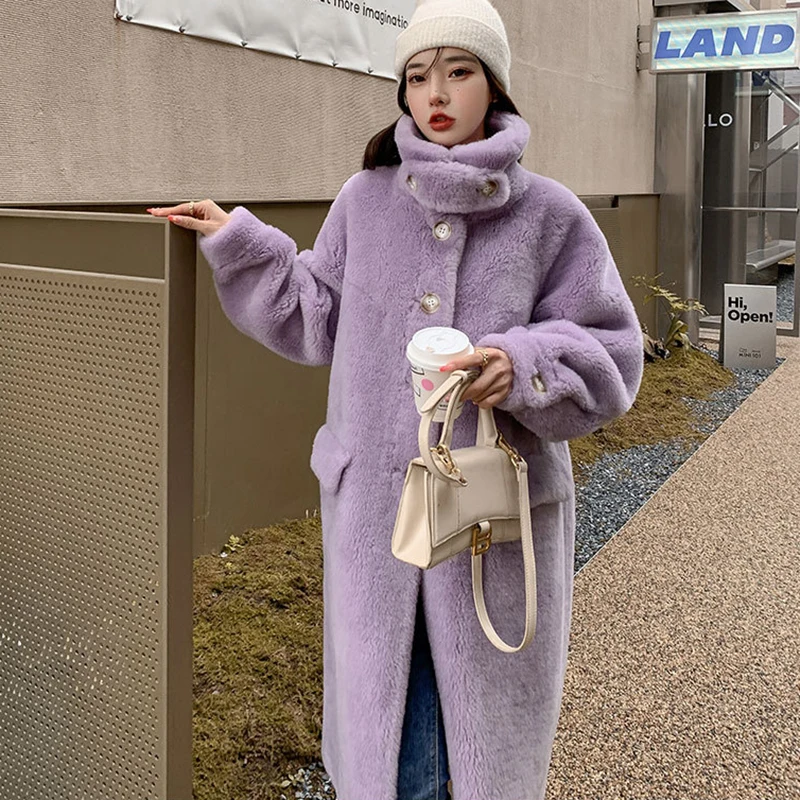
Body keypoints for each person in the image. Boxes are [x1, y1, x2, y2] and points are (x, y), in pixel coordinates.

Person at [147, 0, 644, 797]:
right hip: (378, 522)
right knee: (397, 744)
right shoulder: (365, 199)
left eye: (458, 71)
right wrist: (235, 238)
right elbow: (316, 317)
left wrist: (521, 367)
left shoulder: (551, 215)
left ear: (495, 87)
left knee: (471, 746)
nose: (435, 92)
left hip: (491, 530)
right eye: (417, 76)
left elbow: (612, 352)